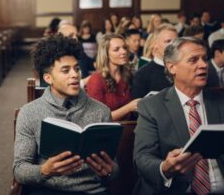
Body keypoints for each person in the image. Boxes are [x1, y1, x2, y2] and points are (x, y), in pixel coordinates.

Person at [13, 35, 118, 195]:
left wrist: (108, 172)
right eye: (65, 70)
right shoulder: (29, 113)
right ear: (48, 78)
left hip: (92, 191)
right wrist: (45, 170)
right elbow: (20, 170)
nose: (75, 75)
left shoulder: (101, 111)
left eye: (77, 68)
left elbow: (114, 169)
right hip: (46, 190)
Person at [133, 37, 224, 195]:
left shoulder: (220, 101)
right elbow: (142, 157)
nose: (203, 65)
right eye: (193, 60)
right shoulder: (152, 106)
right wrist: (165, 168)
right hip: (176, 189)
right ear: (172, 67)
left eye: (204, 59)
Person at [86, 34, 139, 121]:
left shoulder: (127, 75)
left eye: (124, 48)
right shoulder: (96, 80)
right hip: (107, 131)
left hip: (129, 128)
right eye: (116, 49)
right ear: (106, 54)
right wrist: (129, 108)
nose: (123, 52)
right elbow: (98, 119)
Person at [131, 24, 178, 99]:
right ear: (155, 44)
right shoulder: (142, 75)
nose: (173, 45)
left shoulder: (184, 69)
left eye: (176, 41)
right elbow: (138, 107)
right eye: (168, 41)